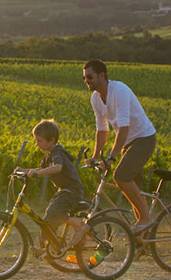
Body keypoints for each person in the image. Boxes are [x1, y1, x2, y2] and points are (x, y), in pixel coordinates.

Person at [83, 59, 157, 234]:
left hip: (144, 138)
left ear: (102, 75)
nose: (86, 81)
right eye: (84, 78)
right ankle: (144, 235)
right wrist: (95, 156)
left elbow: (124, 128)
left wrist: (111, 158)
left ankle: (146, 219)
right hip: (129, 143)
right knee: (133, 187)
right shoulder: (95, 98)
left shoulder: (119, 91)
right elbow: (102, 129)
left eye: (90, 77)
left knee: (121, 176)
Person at [19, 119, 87, 257]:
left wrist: (38, 174)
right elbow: (40, 168)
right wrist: (23, 171)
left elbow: (57, 167)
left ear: (51, 140)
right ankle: (46, 248)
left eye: (39, 140)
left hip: (72, 191)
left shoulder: (57, 153)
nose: (36, 144)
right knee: (48, 219)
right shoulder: (49, 154)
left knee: (54, 212)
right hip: (64, 191)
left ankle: (81, 226)